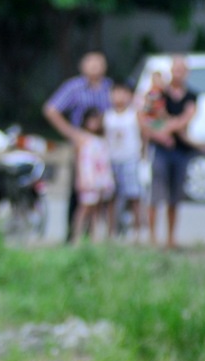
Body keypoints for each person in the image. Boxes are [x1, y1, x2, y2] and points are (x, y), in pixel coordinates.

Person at [43, 51, 113, 242]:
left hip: (104, 148)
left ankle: (98, 235)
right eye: (91, 64)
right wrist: (74, 135)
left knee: (104, 193)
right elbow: (51, 109)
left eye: (99, 64)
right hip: (84, 149)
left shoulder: (109, 87)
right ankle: (73, 235)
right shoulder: (74, 87)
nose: (95, 68)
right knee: (80, 191)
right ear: (83, 66)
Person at [140, 55, 198, 250]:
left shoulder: (191, 96)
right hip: (161, 149)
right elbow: (146, 116)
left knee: (175, 196)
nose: (178, 73)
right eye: (176, 69)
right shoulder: (158, 94)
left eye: (182, 69)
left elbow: (187, 117)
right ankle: (152, 236)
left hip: (181, 151)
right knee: (155, 194)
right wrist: (160, 134)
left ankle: (171, 238)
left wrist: (167, 127)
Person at [63, 108, 114, 243]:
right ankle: (76, 237)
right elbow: (78, 158)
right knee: (84, 207)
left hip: (100, 176)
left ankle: (93, 237)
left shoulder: (102, 138)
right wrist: (80, 178)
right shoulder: (81, 137)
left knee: (97, 208)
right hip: (88, 176)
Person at [104, 82, 143, 240]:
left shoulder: (134, 115)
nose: (119, 97)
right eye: (116, 93)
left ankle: (137, 233)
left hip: (130, 159)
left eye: (123, 93)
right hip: (111, 160)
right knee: (111, 198)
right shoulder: (107, 116)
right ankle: (111, 232)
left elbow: (145, 135)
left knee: (134, 197)